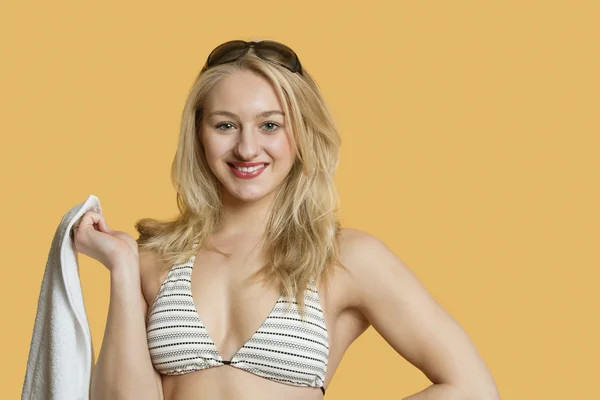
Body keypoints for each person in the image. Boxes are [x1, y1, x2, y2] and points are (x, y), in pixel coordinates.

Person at [73, 39, 500, 400]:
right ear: (199, 133)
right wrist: (123, 268)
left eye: (270, 125)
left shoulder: (344, 257)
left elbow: (473, 388)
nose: (246, 148)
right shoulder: (155, 258)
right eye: (225, 125)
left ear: (301, 133)